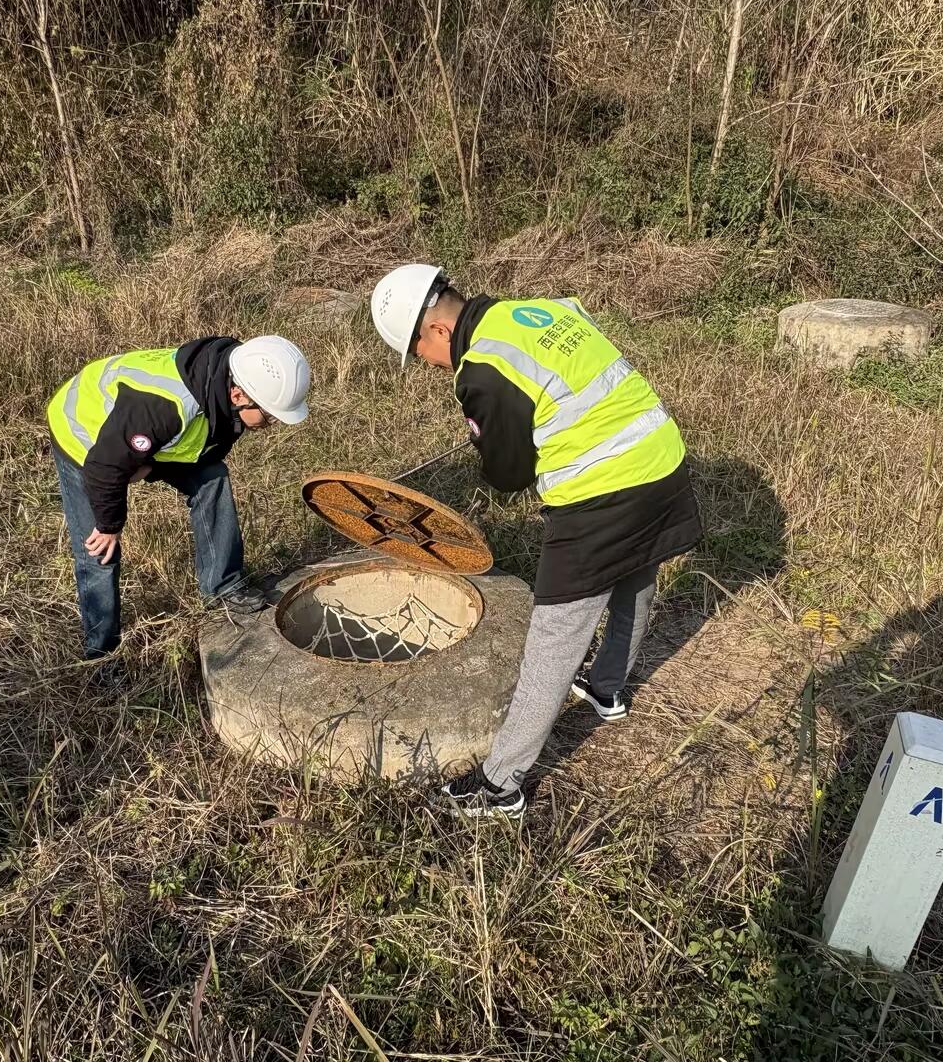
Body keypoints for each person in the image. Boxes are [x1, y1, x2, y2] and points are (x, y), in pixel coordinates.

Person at [370, 266, 703, 817]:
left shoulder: (482, 370)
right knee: (637, 573)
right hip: (660, 458)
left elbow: (508, 475)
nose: (427, 364)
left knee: (554, 639)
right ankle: (608, 688)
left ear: (437, 331)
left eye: (418, 353)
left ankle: (501, 785)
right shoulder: (541, 310)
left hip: (601, 493)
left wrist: (488, 437)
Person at [47, 333, 311, 659]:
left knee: (212, 478)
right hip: (83, 435)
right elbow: (104, 467)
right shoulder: (165, 407)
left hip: (131, 436)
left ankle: (222, 585)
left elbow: (202, 448)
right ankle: (100, 654)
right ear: (238, 394)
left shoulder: (223, 385)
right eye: (269, 415)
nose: (272, 423)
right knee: (99, 551)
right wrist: (109, 525)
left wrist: (148, 465)